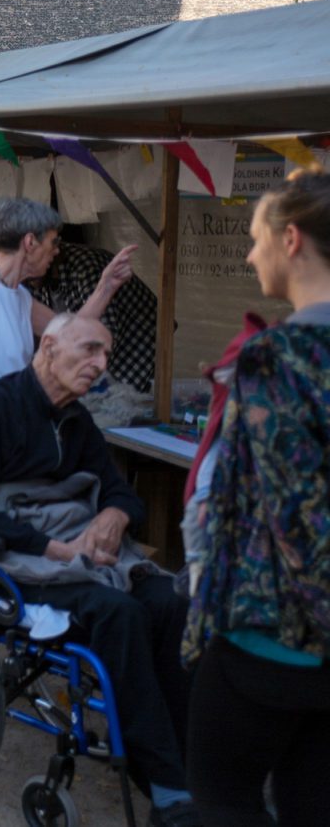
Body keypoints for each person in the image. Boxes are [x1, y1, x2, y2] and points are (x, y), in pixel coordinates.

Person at [0, 314, 197, 826]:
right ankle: (167, 784)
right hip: (21, 565)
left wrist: (114, 513)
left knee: (172, 602)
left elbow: (119, 488)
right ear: (49, 347)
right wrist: (55, 547)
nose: (101, 364)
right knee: (120, 614)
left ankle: (185, 763)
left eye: (105, 353)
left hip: (85, 556)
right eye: (90, 351)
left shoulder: (76, 419)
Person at [183, 172, 330, 826]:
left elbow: (298, 516)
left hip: (271, 637)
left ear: (291, 240)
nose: (250, 255)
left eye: (255, 238)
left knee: (225, 799)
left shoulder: (279, 356)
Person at [0, 197, 135, 413]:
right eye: (53, 242)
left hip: (8, 421)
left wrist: (106, 287)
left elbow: (71, 331)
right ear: (30, 242)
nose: (56, 251)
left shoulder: (18, 296)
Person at [31, 232, 158, 392]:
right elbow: (60, 332)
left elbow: (104, 332)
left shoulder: (85, 267)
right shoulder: (29, 280)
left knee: (119, 403)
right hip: (98, 351)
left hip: (137, 343)